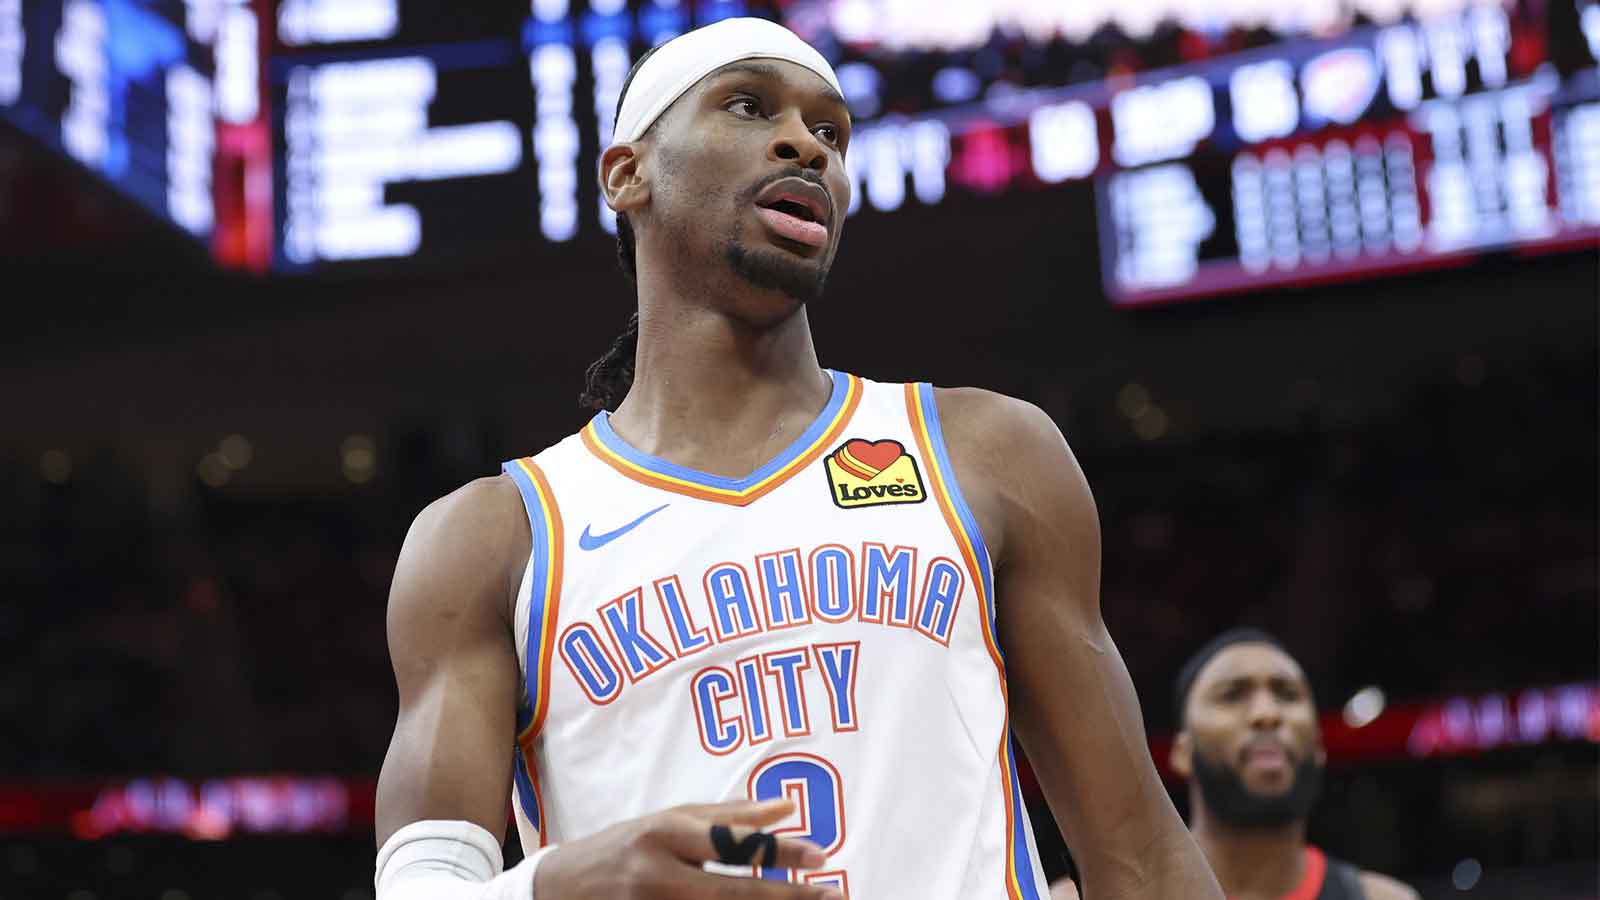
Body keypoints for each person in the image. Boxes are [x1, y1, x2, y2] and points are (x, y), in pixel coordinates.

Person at [371, 17, 1222, 900]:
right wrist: (554, 885)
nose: (805, 146)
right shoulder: (493, 536)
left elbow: (1143, 859)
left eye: (831, 132)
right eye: (748, 105)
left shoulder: (985, 453)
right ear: (628, 176)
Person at [1168, 629, 1421, 900]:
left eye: (1287, 694)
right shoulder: (1129, 892)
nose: (1267, 714)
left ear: (1318, 746)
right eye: (1232, 695)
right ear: (1182, 752)